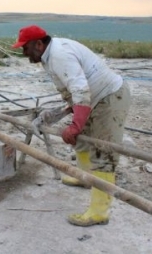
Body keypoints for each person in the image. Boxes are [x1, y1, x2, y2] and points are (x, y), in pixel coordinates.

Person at [12, 25, 131, 227]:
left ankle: (99, 212)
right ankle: (85, 177)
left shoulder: (59, 55)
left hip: (108, 98)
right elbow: (73, 90)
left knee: (103, 154)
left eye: (26, 48)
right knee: (82, 142)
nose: (23, 53)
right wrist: (66, 112)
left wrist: (75, 125)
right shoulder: (48, 56)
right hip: (92, 98)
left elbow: (80, 89)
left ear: (39, 44)